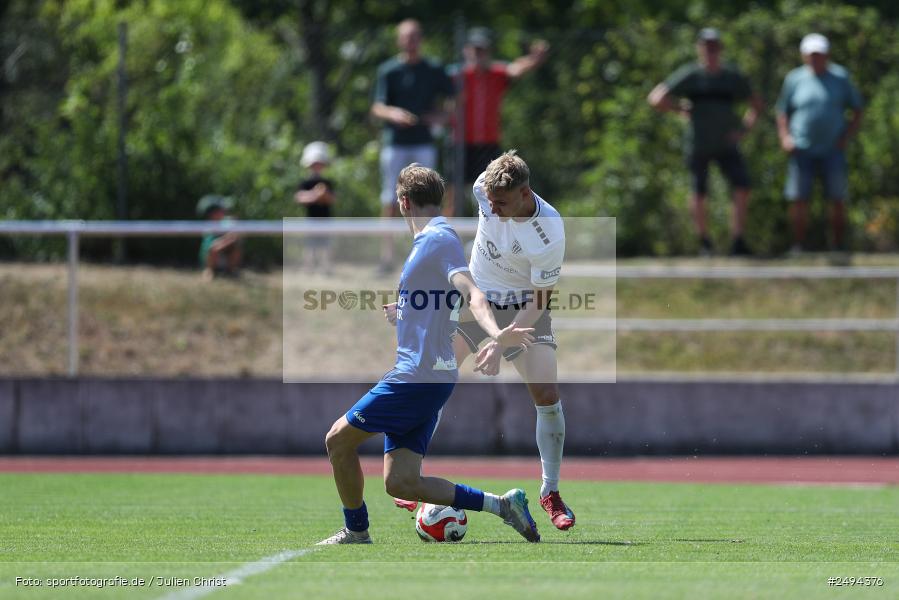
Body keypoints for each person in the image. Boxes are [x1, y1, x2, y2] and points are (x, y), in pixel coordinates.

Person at [318, 164, 541, 545]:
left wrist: (496, 333)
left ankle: (356, 530)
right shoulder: (431, 241)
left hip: (415, 376)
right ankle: (503, 506)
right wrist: (405, 310)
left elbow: (471, 291)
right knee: (401, 481)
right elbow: (443, 298)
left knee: (337, 440)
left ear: (403, 203)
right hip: (429, 377)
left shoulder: (437, 239)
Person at [394, 150, 574, 532]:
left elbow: (540, 299)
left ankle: (551, 492)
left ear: (525, 193)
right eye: (488, 201)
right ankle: (411, 475)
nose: (491, 208)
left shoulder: (549, 232)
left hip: (524, 308)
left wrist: (502, 340)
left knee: (546, 393)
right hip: (474, 302)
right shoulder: (482, 187)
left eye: (500, 203)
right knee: (431, 380)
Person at [648, 27, 762, 256]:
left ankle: (738, 240)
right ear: (699, 49)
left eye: (714, 47)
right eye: (706, 46)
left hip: (727, 144)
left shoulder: (732, 77)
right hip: (699, 144)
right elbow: (656, 98)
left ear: (720, 49)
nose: (710, 51)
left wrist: (742, 131)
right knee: (699, 192)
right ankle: (705, 243)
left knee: (742, 187)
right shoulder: (690, 75)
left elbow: (756, 105)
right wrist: (679, 109)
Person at [371, 19, 455, 272]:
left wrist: (440, 116)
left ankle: (427, 255)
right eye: (406, 37)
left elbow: (454, 98)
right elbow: (378, 107)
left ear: (421, 39)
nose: (411, 41)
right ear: (399, 40)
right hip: (396, 144)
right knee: (390, 198)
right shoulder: (389, 70)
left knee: (427, 198)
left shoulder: (433, 68)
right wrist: (394, 114)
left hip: (423, 143)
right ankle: (387, 257)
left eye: (415, 36)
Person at [445, 27, 549, 215]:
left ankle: (489, 230)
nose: (478, 55)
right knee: (454, 195)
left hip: (488, 143)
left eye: (482, 50)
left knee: (491, 193)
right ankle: (449, 232)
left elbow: (516, 68)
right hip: (461, 142)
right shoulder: (457, 75)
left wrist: (535, 58)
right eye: (475, 50)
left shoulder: (496, 74)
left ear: (489, 52)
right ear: (466, 51)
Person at [776, 33, 863, 254]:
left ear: (827, 55)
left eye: (820, 54)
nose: (816, 59)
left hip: (833, 149)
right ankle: (798, 246)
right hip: (801, 148)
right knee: (799, 199)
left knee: (837, 198)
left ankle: (837, 245)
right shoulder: (794, 79)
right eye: (811, 55)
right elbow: (782, 111)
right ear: (804, 56)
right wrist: (785, 137)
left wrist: (846, 136)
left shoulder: (840, 77)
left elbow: (857, 109)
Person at [295, 141, 336, 273]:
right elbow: (299, 197)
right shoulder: (305, 183)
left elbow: (333, 199)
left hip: (325, 220)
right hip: (311, 220)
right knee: (310, 245)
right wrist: (315, 195)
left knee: (326, 244)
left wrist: (324, 195)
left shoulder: (327, 183)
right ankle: (308, 267)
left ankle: (326, 267)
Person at [197, 195, 241, 281]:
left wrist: (231, 235)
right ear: (212, 213)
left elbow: (235, 236)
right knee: (214, 247)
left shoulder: (226, 222)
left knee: (236, 245)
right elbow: (211, 247)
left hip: (224, 257)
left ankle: (231, 271)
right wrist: (228, 239)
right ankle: (209, 271)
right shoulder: (208, 226)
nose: (224, 212)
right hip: (209, 259)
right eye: (220, 210)